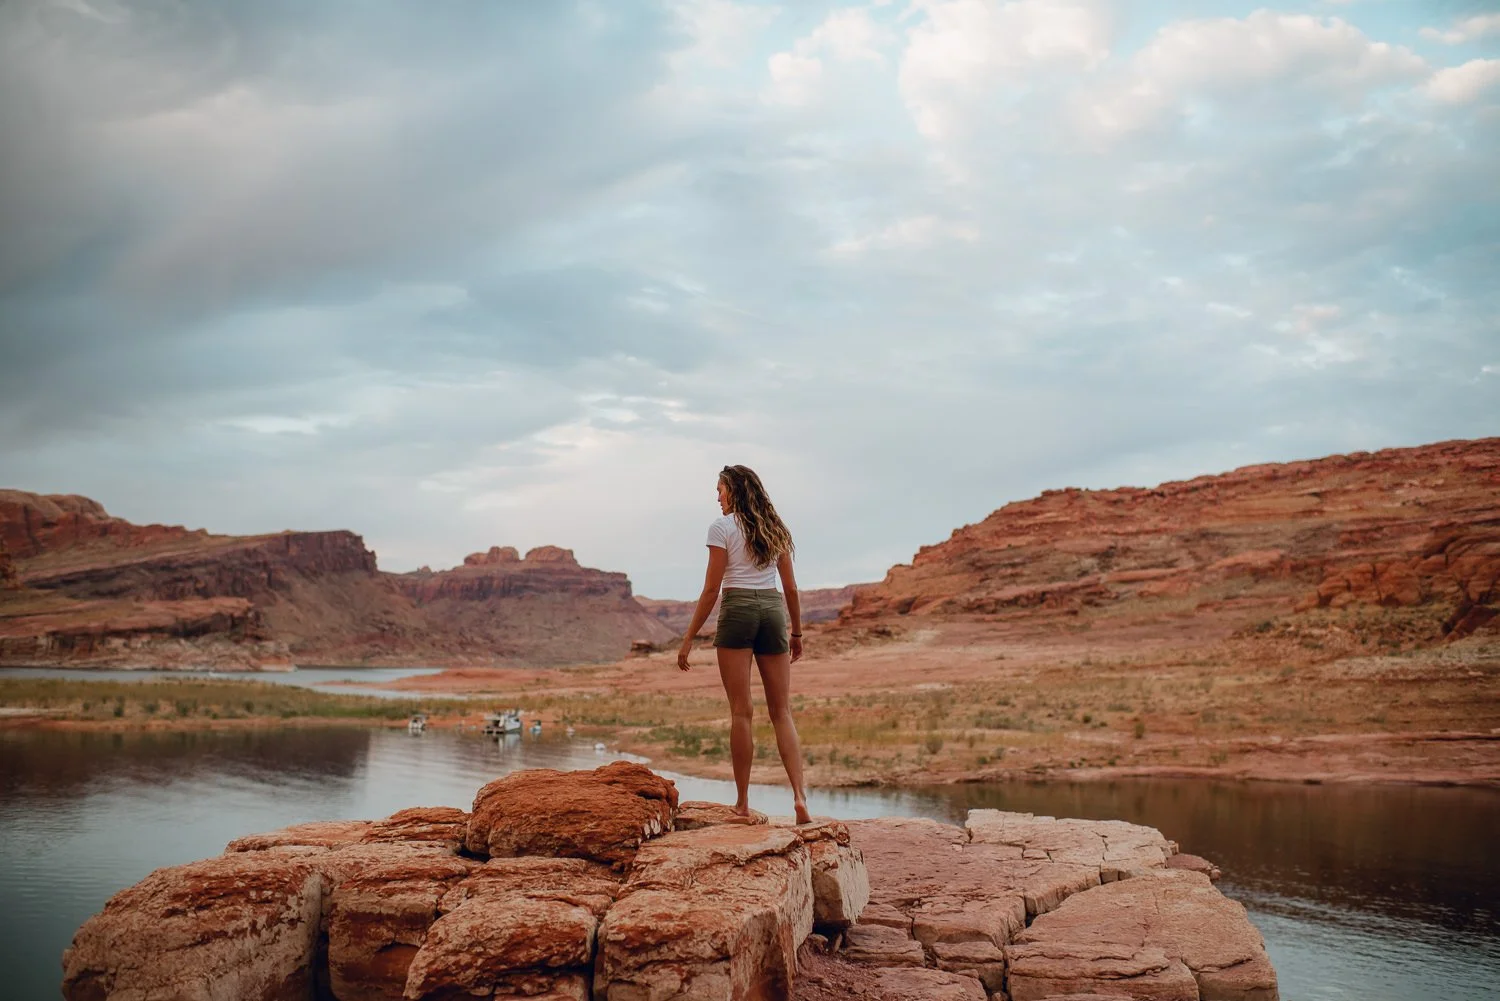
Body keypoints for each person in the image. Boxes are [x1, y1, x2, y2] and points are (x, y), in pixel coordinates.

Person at [677, 464, 811, 824]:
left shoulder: (721, 528)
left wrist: (688, 638)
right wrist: (796, 633)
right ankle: (799, 799)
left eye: (719, 489)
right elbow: (792, 589)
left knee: (741, 711)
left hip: (737, 609)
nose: (716, 496)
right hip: (771, 610)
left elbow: (710, 590)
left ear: (733, 490)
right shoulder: (775, 528)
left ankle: (742, 803)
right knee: (781, 712)